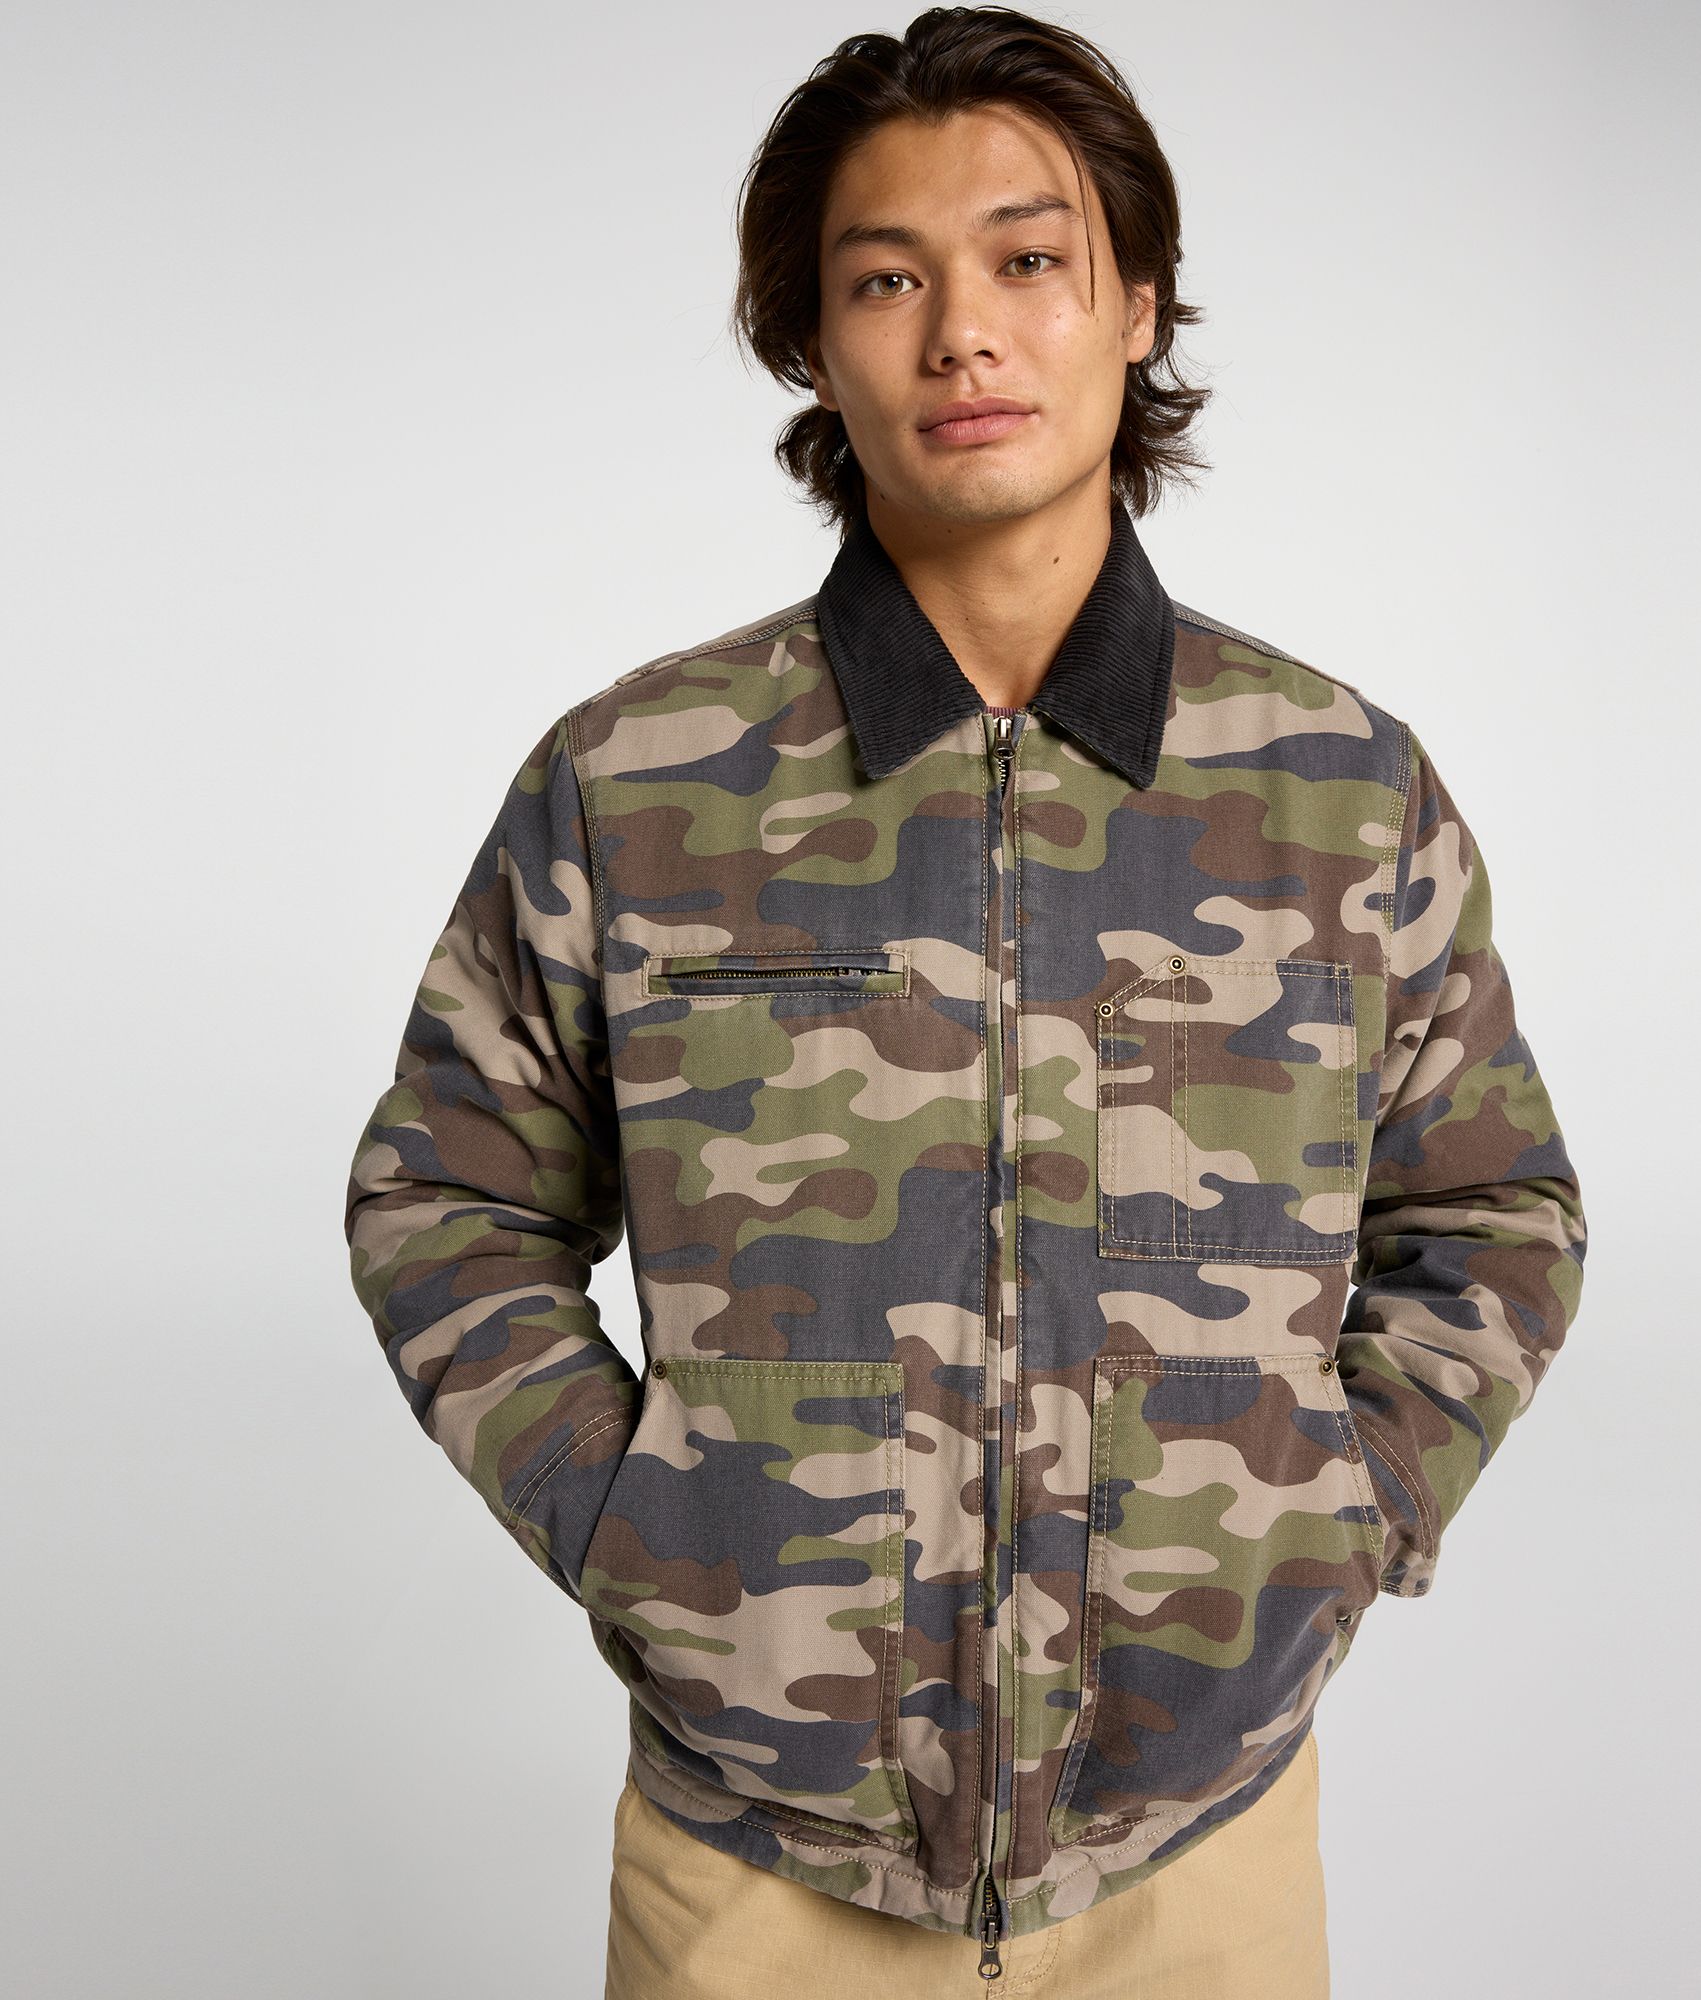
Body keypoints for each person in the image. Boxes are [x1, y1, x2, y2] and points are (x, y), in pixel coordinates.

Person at [341, 8, 1588, 1995]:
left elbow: (1492, 1210)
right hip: (752, 1871)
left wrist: (1340, 1522)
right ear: (809, 342)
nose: (963, 337)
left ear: (1137, 305)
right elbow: (445, 1200)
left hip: (1199, 1862)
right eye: (885, 280)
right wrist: (630, 1528)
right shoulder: (636, 782)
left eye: (1027, 260)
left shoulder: (1339, 793)